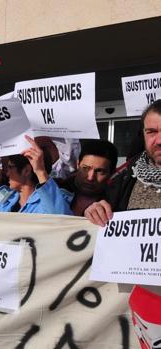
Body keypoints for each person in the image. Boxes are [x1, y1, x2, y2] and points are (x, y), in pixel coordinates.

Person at [84, 100, 161, 348]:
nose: (159, 140)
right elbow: (104, 215)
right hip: (144, 305)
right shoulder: (126, 178)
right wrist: (94, 209)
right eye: (152, 132)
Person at [57, 140, 117, 216]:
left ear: (112, 173)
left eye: (99, 171)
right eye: (85, 168)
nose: (90, 177)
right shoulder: (54, 188)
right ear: (78, 164)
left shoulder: (117, 206)